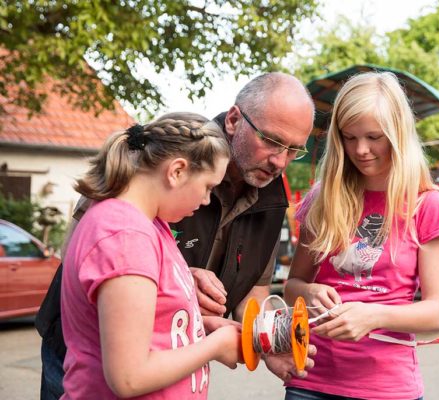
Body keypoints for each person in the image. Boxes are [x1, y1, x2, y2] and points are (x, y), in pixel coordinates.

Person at [36, 72, 316, 399]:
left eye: (294, 150)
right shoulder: (136, 208)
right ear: (234, 119)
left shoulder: (270, 196)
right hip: (87, 357)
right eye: (271, 140)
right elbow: (92, 259)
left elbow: (255, 290)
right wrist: (178, 286)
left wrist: (265, 340)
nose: (280, 161)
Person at [284, 71, 439, 400]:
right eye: (349, 137)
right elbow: (293, 287)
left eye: (373, 137)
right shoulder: (322, 198)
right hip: (310, 382)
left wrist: (373, 315)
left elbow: (436, 312)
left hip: (387, 388)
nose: (361, 149)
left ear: (398, 134)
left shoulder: (428, 204)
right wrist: (312, 291)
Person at [61, 116, 239, 398]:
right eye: (207, 187)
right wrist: (215, 346)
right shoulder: (125, 235)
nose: (206, 200)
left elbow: (144, 325)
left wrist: (200, 327)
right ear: (177, 171)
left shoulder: (150, 224)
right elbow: (129, 377)